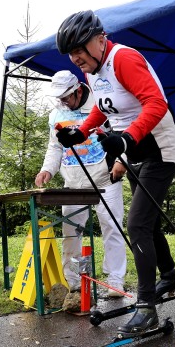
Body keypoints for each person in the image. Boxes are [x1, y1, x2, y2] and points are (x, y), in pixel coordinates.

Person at [55, 10, 175, 336]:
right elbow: (102, 106)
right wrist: (81, 132)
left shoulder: (123, 58)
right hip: (136, 151)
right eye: (71, 53)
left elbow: (156, 104)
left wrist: (125, 139)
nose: (75, 57)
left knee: (137, 223)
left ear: (100, 40)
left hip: (160, 150)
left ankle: (145, 308)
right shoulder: (95, 71)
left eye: (79, 49)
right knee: (147, 219)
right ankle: (167, 275)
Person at [35, 70, 128, 298]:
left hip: (105, 178)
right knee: (71, 232)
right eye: (60, 98)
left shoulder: (100, 105)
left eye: (66, 97)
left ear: (78, 90)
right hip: (73, 182)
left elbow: (121, 135)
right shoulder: (56, 114)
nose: (63, 102)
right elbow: (55, 147)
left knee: (112, 227)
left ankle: (115, 281)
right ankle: (75, 281)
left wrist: (121, 161)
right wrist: (47, 169)